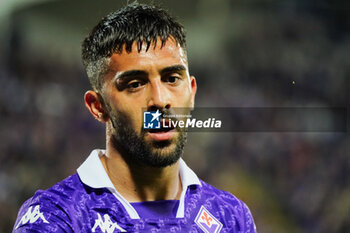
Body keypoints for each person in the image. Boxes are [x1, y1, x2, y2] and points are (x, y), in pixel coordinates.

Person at [13, 3, 257, 232]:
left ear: (191, 92)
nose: (160, 101)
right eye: (135, 84)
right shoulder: (56, 216)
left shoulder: (230, 216)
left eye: (172, 79)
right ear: (98, 107)